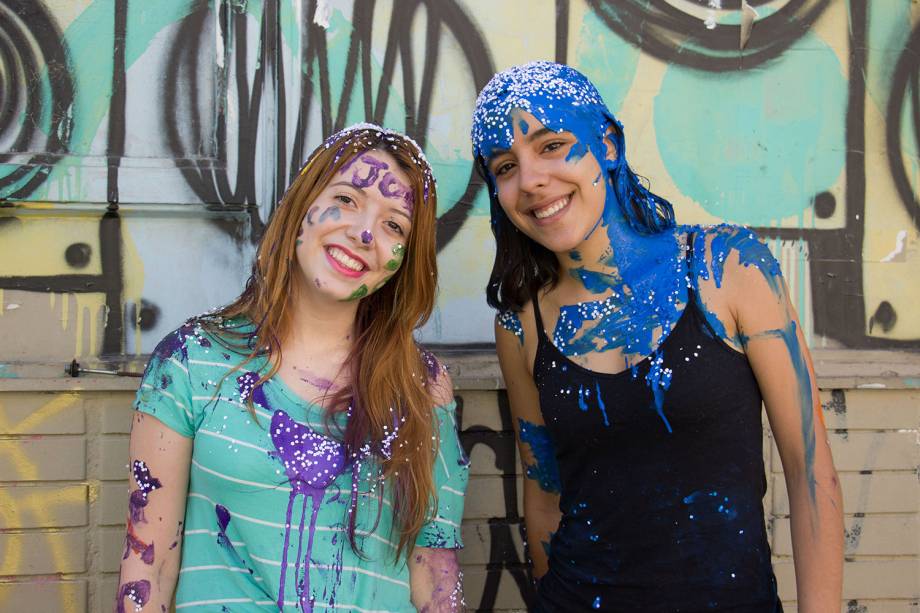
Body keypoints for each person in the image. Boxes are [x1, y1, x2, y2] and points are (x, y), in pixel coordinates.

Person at [471, 61, 843, 611]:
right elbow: (545, 495)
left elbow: (809, 469)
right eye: (506, 166)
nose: (530, 180)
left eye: (552, 146)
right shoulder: (521, 322)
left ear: (609, 144)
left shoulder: (727, 267)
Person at [115, 124, 469, 613]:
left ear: (405, 259)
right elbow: (148, 566)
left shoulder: (422, 388)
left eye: (394, 226)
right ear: (300, 207)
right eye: (346, 199)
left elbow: (436, 579)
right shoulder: (192, 362)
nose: (364, 233)